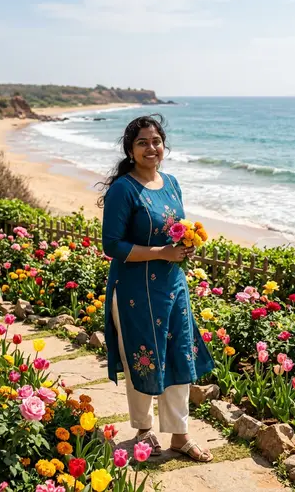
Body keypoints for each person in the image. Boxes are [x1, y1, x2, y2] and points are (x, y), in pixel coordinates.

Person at [100, 114, 214, 462]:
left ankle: (180, 436)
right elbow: (112, 245)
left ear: (164, 145)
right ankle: (144, 431)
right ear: (130, 150)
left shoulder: (172, 183)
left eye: (156, 141)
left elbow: (175, 228)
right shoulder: (124, 189)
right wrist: (161, 252)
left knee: (180, 356)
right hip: (135, 290)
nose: (151, 148)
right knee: (142, 361)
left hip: (172, 286)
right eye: (142, 142)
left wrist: (185, 246)